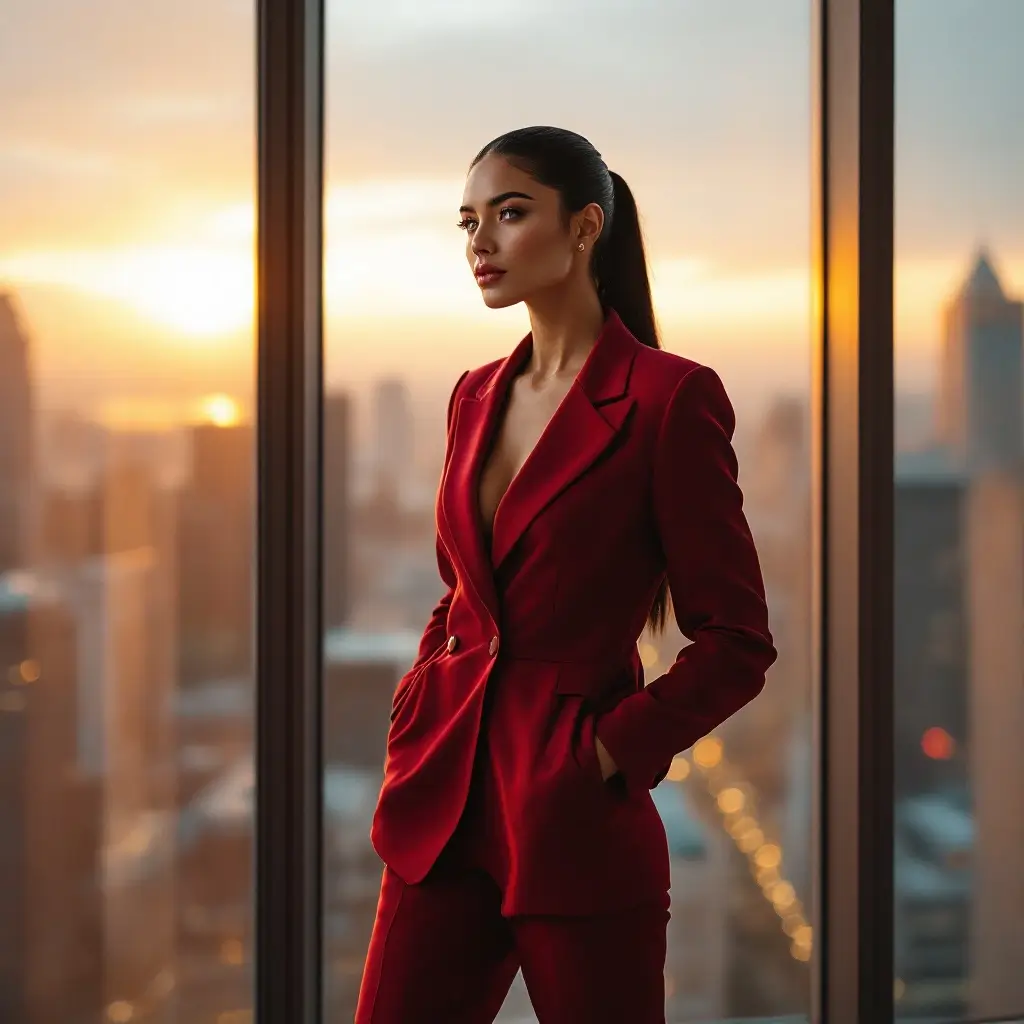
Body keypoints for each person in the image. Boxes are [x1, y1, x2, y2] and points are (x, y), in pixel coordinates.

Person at [355, 126, 777, 1024]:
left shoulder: (670, 398)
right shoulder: (473, 393)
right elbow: (461, 590)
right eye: (468, 221)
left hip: (573, 812)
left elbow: (737, 642)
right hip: (446, 792)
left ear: (586, 227)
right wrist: (418, 702)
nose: (481, 242)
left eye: (510, 214)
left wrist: (604, 753)